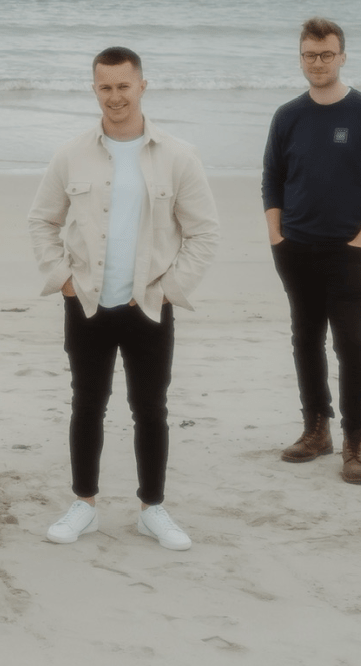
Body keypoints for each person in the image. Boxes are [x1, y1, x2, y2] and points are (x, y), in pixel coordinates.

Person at [27, 46, 219, 551]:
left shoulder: (178, 155)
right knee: (86, 406)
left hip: (150, 308)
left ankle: (152, 509)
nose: (115, 96)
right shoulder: (71, 154)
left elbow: (204, 233)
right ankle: (84, 506)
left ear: (142, 86)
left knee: (150, 408)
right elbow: (42, 221)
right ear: (94, 89)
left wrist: (168, 291)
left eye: (124, 86)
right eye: (105, 87)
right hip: (86, 304)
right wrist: (63, 280)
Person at [263, 17, 361, 484]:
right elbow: (272, 182)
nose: (318, 62)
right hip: (295, 248)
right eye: (310, 54)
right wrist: (277, 237)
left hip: (349, 251)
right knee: (305, 339)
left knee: (352, 345)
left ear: (343, 56)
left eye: (327, 54)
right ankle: (316, 430)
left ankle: (355, 444)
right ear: (300, 57)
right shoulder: (287, 116)